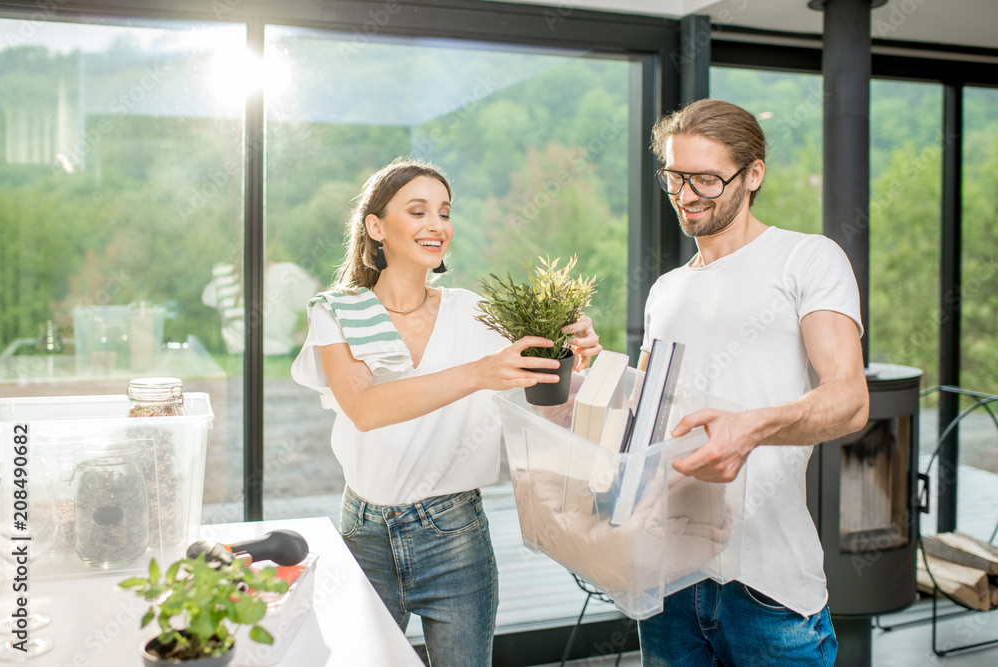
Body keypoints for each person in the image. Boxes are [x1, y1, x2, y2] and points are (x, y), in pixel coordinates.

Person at [290, 157, 601, 666]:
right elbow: (365, 409)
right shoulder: (337, 311)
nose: (436, 225)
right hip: (363, 532)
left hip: (454, 535)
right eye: (417, 211)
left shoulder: (473, 313)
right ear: (375, 226)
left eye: (444, 212)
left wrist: (578, 344)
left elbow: (549, 385)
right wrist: (480, 372)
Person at [636, 99, 870, 666]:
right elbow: (645, 416)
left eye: (707, 180)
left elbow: (850, 400)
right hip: (666, 578)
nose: (686, 195)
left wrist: (751, 427)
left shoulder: (808, 259)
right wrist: (589, 374)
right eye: (675, 177)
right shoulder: (665, 290)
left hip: (769, 588)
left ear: (753, 175)